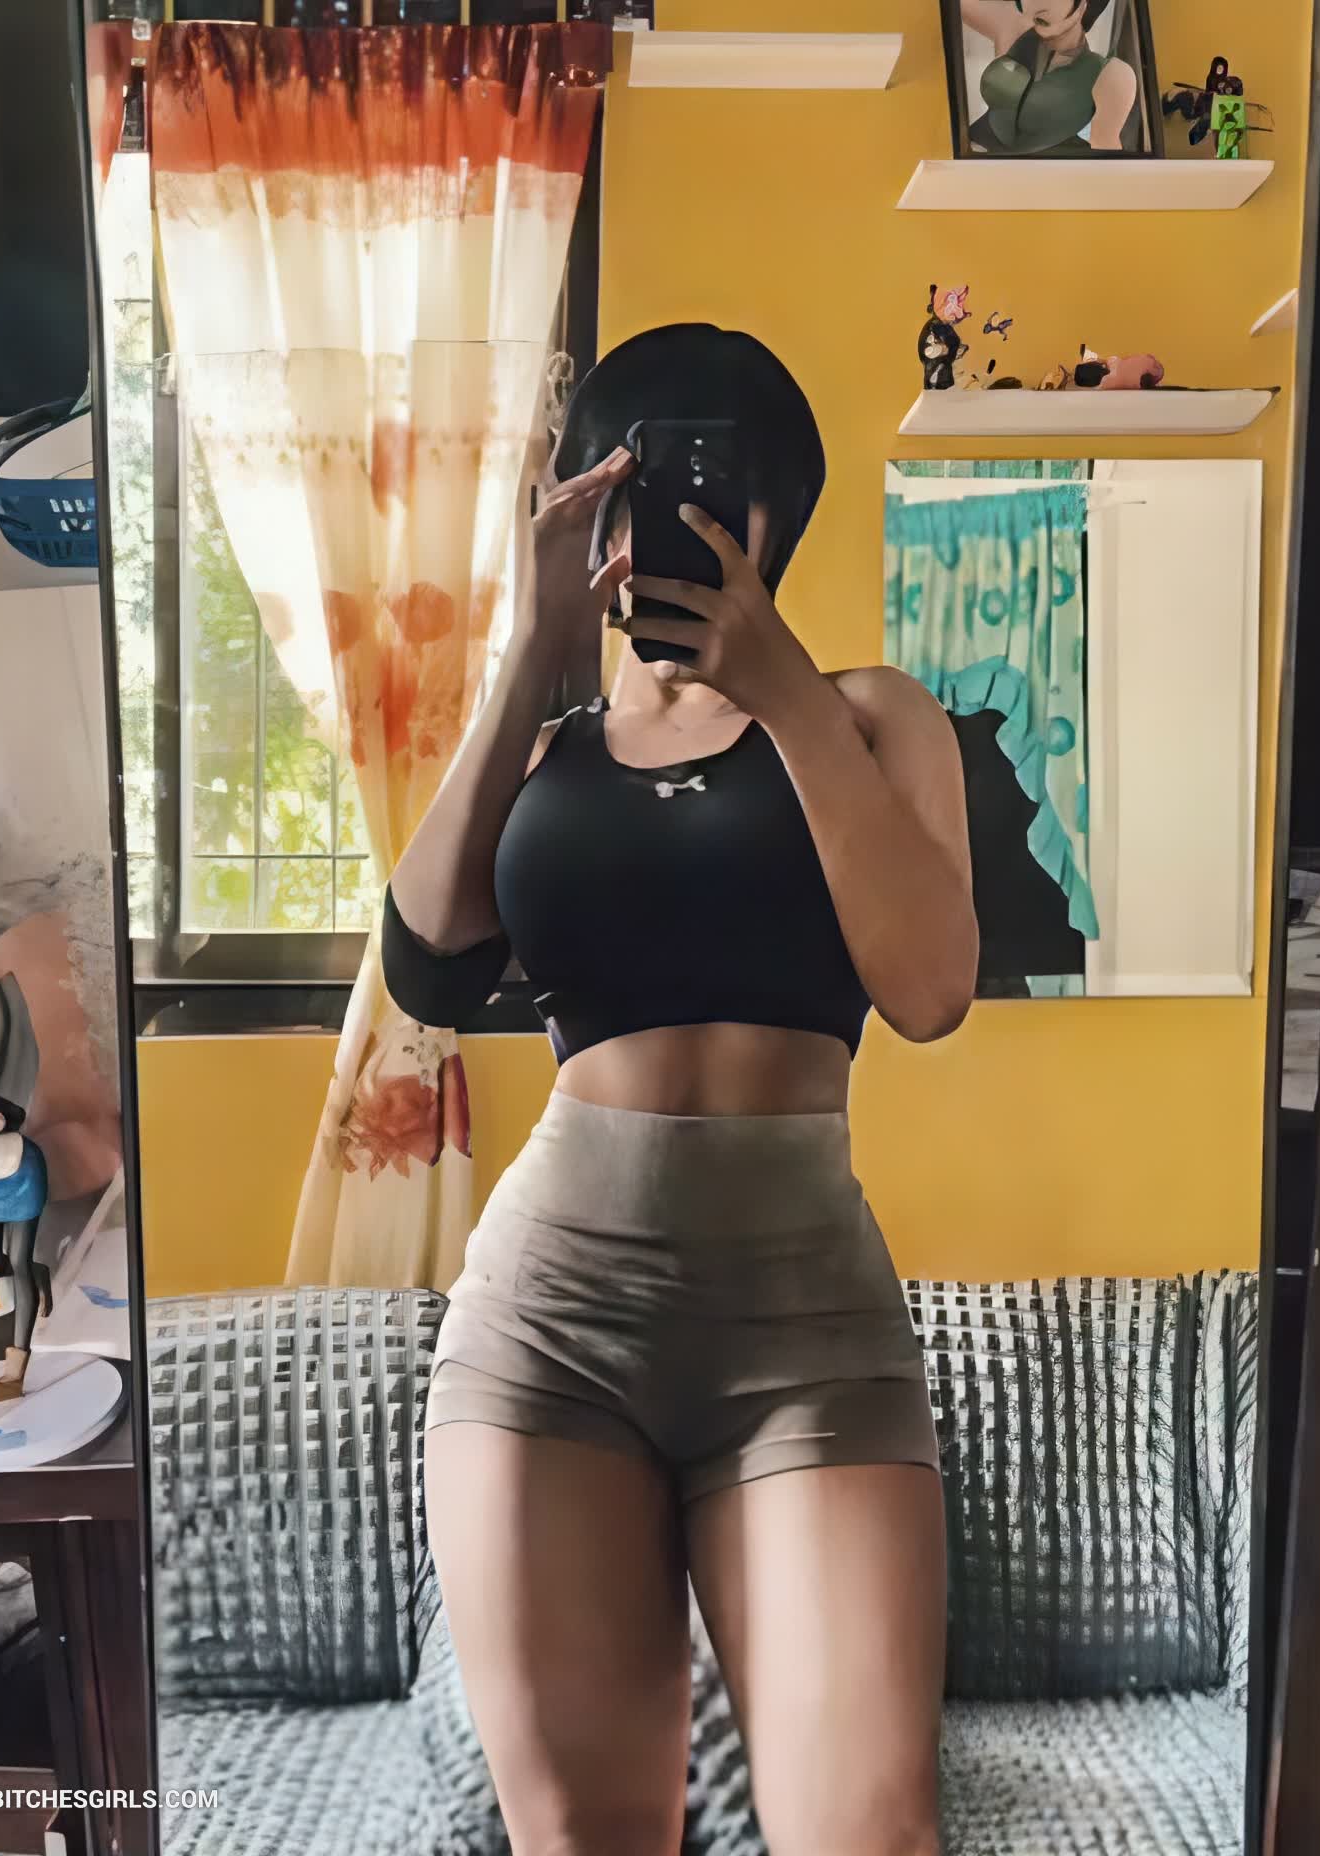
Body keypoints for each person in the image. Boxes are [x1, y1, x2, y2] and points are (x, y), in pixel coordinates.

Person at [383, 325, 978, 1856]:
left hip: (807, 1330)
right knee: (590, 1836)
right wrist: (531, 648)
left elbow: (928, 991)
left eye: (718, 484)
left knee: (870, 1834)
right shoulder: (552, 753)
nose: (682, 520)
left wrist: (781, 695)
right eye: (644, 483)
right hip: (548, 1328)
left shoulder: (870, 714)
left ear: (779, 512)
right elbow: (430, 965)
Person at [960, 0, 1140, 155]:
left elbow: (1106, 155)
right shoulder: (1016, 26)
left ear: (1082, 6)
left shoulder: (1110, 73)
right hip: (965, 161)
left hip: (1037, 176)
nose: (1037, 5)